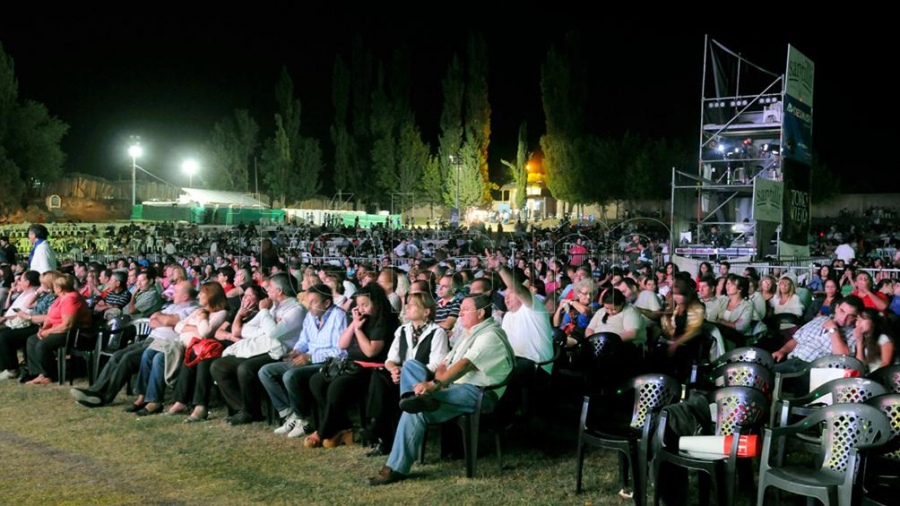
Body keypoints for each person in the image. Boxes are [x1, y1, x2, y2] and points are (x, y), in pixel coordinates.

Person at [368, 293, 514, 486]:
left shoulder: (490, 335)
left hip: (479, 393)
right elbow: (445, 364)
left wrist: (434, 385)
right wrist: (436, 380)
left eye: (465, 310)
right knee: (414, 393)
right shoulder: (469, 334)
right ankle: (397, 467)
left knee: (419, 404)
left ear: (480, 313)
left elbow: (464, 365)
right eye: (460, 310)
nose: (460, 314)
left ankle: (419, 401)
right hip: (457, 389)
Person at [69, 281, 196, 408]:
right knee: (118, 355)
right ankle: (95, 390)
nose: (173, 294)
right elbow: (152, 320)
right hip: (150, 339)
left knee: (128, 358)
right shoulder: (172, 307)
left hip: (163, 344)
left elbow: (168, 320)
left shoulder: (191, 309)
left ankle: (104, 396)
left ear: (185, 296)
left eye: (176, 292)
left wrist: (163, 319)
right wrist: (162, 319)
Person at [304, 284, 399, 449]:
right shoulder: (360, 319)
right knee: (316, 381)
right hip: (350, 366)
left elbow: (370, 351)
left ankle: (323, 431)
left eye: (365, 305)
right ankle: (342, 427)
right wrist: (354, 324)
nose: (361, 309)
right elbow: (342, 344)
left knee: (336, 387)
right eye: (358, 305)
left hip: (371, 369)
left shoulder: (383, 322)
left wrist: (359, 331)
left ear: (377, 303)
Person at [210, 274, 306, 425]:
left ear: (279, 291)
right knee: (219, 366)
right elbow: (245, 330)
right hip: (262, 345)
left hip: (282, 352)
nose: (267, 291)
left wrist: (264, 313)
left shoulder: (296, 310)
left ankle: (251, 411)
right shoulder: (274, 307)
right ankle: (243, 408)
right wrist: (266, 326)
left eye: (270, 288)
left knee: (245, 368)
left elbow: (273, 333)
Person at [365, 292, 449, 456]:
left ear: (426, 311)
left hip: (421, 382)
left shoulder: (437, 332)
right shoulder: (402, 330)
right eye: (407, 303)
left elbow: (436, 364)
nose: (407, 307)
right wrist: (393, 370)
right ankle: (379, 429)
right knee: (379, 376)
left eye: (413, 305)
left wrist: (405, 371)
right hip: (401, 379)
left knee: (409, 365)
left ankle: (378, 432)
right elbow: (391, 359)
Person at [263, 282, 346, 437]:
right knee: (266, 371)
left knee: (290, 375)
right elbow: (303, 341)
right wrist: (296, 351)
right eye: (309, 302)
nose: (309, 306)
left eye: (314, 302)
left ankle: (303, 419)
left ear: (327, 303)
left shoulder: (338, 316)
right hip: (306, 358)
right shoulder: (310, 316)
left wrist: (310, 357)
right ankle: (290, 414)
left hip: (327, 363)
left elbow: (341, 352)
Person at [143, 281, 229, 417]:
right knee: (153, 355)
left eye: (202, 293)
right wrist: (194, 326)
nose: (199, 295)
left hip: (198, 349)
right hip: (182, 345)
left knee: (164, 358)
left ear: (211, 295)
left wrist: (203, 319)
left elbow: (205, 333)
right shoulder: (198, 311)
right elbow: (178, 326)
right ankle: (154, 399)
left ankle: (172, 402)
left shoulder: (220, 313)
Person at [771, 295, 864, 383]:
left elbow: (843, 358)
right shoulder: (820, 319)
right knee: (763, 374)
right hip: (792, 361)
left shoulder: (853, 333)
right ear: (836, 308)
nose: (843, 319)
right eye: (842, 311)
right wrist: (782, 351)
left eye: (850, 316)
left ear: (856, 318)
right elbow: (796, 340)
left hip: (814, 371)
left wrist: (833, 330)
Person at [22, 273, 92, 385]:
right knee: (32, 340)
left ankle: (49, 375)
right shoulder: (60, 298)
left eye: (54, 286)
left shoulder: (71, 299)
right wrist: (43, 328)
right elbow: (50, 317)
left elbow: (67, 325)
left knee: (43, 345)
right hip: (58, 330)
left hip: (74, 334)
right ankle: (38, 373)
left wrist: (47, 332)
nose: (52, 288)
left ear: (59, 288)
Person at [0, 270, 51, 380]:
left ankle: (12, 369)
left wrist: (5, 318)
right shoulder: (26, 293)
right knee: (3, 333)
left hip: (32, 324)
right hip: (22, 322)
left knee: (4, 336)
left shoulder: (41, 294)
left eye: (20, 280)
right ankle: (5, 366)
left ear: (27, 283)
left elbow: (26, 311)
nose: (18, 282)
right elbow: (17, 308)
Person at [656, 277, 705, 383]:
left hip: (689, 343)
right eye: (675, 294)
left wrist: (675, 343)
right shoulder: (679, 307)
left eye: (679, 294)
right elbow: (674, 326)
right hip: (677, 341)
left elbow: (695, 330)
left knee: (674, 355)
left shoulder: (697, 306)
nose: (676, 297)